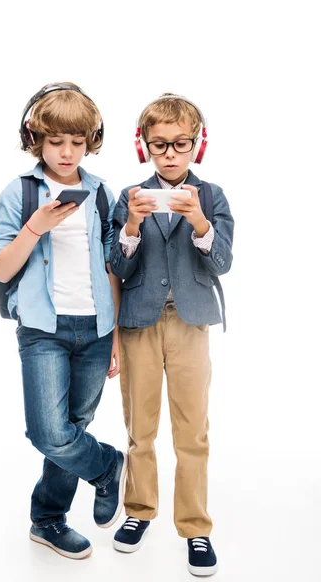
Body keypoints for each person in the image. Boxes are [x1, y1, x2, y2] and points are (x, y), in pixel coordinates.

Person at [0, 82, 127, 560]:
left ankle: (48, 520)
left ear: (91, 140)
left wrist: (116, 338)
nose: (67, 152)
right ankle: (107, 466)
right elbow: (2, 267)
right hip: (43, 330)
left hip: (95, 328)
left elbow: (114, 266)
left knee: (72, 425)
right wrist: (35, 228)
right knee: (48, 432)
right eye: (56, 141)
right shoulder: (20, 193)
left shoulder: (103, 193)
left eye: (77, 141)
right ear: (36, 139)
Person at [109, 94, 234, 576]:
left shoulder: (213, 195)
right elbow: (118, 266)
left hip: (191, 322)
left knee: (192, 431)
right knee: (140, 427)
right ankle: (139, 511)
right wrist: (133, 225)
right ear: (143, 147)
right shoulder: (129, 196)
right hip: (139, 323)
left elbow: (222, 261)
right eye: (158, 144)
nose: (169, 153)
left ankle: (195, 526)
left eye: (180, 143)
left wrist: (199, 220)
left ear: (197, 146)